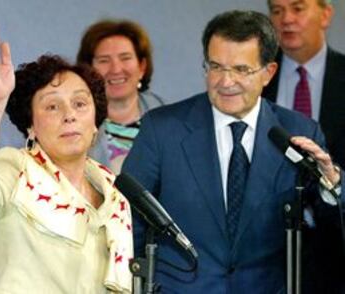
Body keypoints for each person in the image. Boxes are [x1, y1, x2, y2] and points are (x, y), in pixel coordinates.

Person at [122, 10, 344, 293]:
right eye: (216, 67)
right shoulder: (162, 129)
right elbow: (129, 223)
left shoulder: (298, 132)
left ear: (268, 73)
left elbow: (331, 229)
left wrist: (333, 183)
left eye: (241, 70)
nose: (225, 82)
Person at [0, 21, 133, 294]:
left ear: (95, 121)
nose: (69, 114)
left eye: (80, 104)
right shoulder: (16, 169)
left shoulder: (115, 193)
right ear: (31, 125)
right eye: (52, 106)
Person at [263, 1, 345, 292]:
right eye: (276, 10)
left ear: (326, 14)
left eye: (298, 8)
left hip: (336, 250)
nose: (286, 19)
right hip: (267, 248)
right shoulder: (255, 80)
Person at [76, 19, 164, 175]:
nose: (116, 69)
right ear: (88, 69)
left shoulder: (169, 120)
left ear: (142, 66)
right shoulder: (74, 123)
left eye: (125, 58)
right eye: (104, 60)